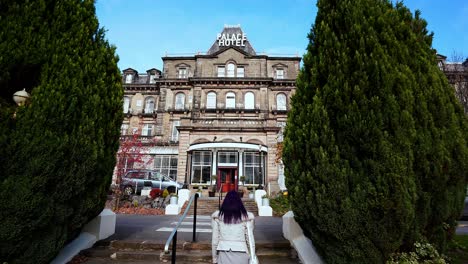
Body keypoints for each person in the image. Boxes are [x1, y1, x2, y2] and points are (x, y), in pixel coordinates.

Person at [212, 190, 257, 264]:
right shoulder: (246, 217)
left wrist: (214, 258)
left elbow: (215, 240)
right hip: (242, 252)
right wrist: (252, 255)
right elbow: (250, 239)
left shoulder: (218, 217)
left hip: (224, 251)